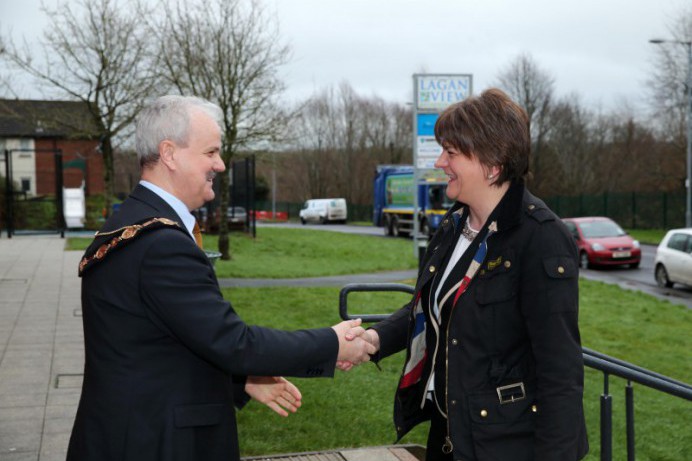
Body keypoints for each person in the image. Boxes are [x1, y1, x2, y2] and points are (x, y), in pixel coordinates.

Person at [67, 95, 375, 461]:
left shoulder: (134, 221)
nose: (221, 164)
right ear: (170, 153)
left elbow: (161, 342)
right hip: (154, 442)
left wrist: (240, 381)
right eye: (210, 152)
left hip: (127, 432)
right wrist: (332, 343)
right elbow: (233, 342)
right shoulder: (160, 243)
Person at [361, 88, 589, 460]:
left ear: (492, 164)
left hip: (504, 446)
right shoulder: (454, 226)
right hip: (450, 435)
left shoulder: (541, 238)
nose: (439, 162)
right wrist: (374, 339)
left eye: (451, 152)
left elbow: (560, 371)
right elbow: (433, 308)